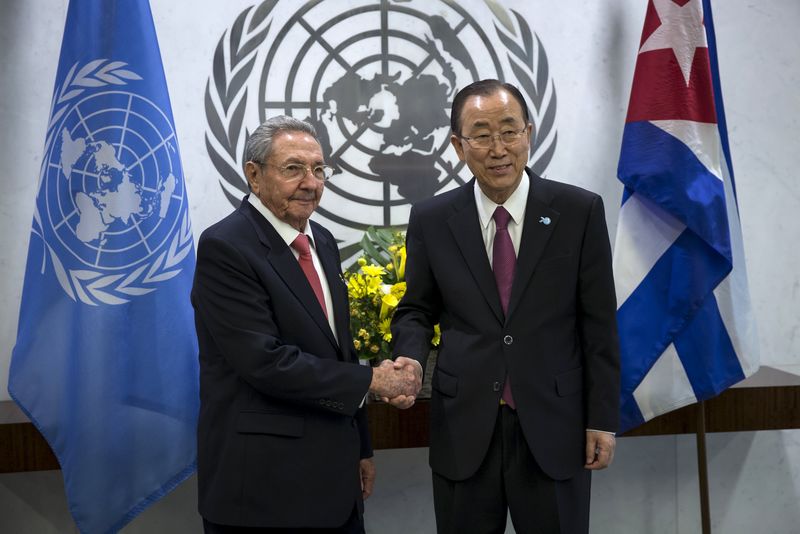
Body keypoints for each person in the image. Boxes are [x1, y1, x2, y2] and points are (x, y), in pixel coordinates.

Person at [390, 79, 620, 533]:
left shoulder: (579, 211)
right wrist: (410, 359)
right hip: (465, 425)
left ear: (529, 133)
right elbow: (416, 308)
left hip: (555, 425)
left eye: (509, 131)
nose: (498, 149)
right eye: (481, 134)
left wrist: (602, 420)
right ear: (459, 145)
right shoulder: (433, 219)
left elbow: (599, 326)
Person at [192, 115, 420, 533]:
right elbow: (265, 363)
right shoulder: (225, 247)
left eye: (318, 169)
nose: (311, 182)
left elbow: (340, 351)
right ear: (254, 176)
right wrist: (373, 381)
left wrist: (361, 448)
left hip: (335, 483)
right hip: (264, 492)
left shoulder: (323, 242)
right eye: (293, 168)